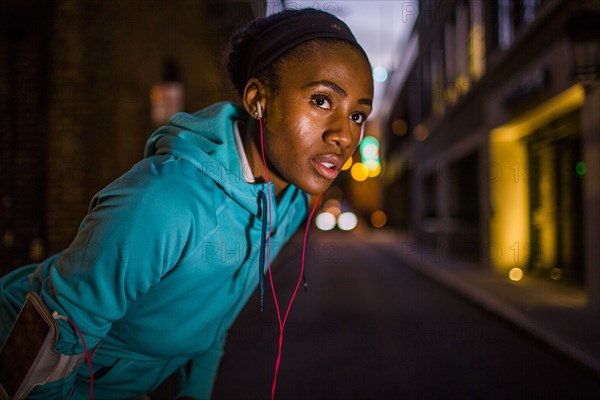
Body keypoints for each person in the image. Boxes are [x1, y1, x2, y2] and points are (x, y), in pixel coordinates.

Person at [0, 7, 373, 400]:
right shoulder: (164, 202)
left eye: (358, 115)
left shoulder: (290, 203)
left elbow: (215, 321)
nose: (344, 135)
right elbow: (49, 346)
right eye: (321, 100)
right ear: (258, 99)